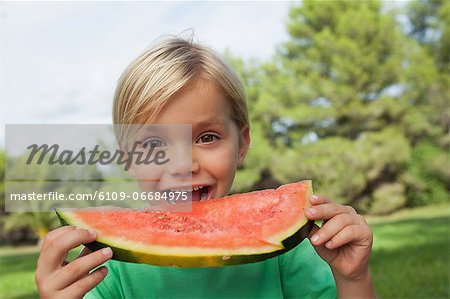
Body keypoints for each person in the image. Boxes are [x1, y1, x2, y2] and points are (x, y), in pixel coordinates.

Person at [35, 36, 376, 299]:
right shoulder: (108, 267)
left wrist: (353, 277)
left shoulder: (288, 252)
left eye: (208, 137)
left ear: (241, 143)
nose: (183, 165)